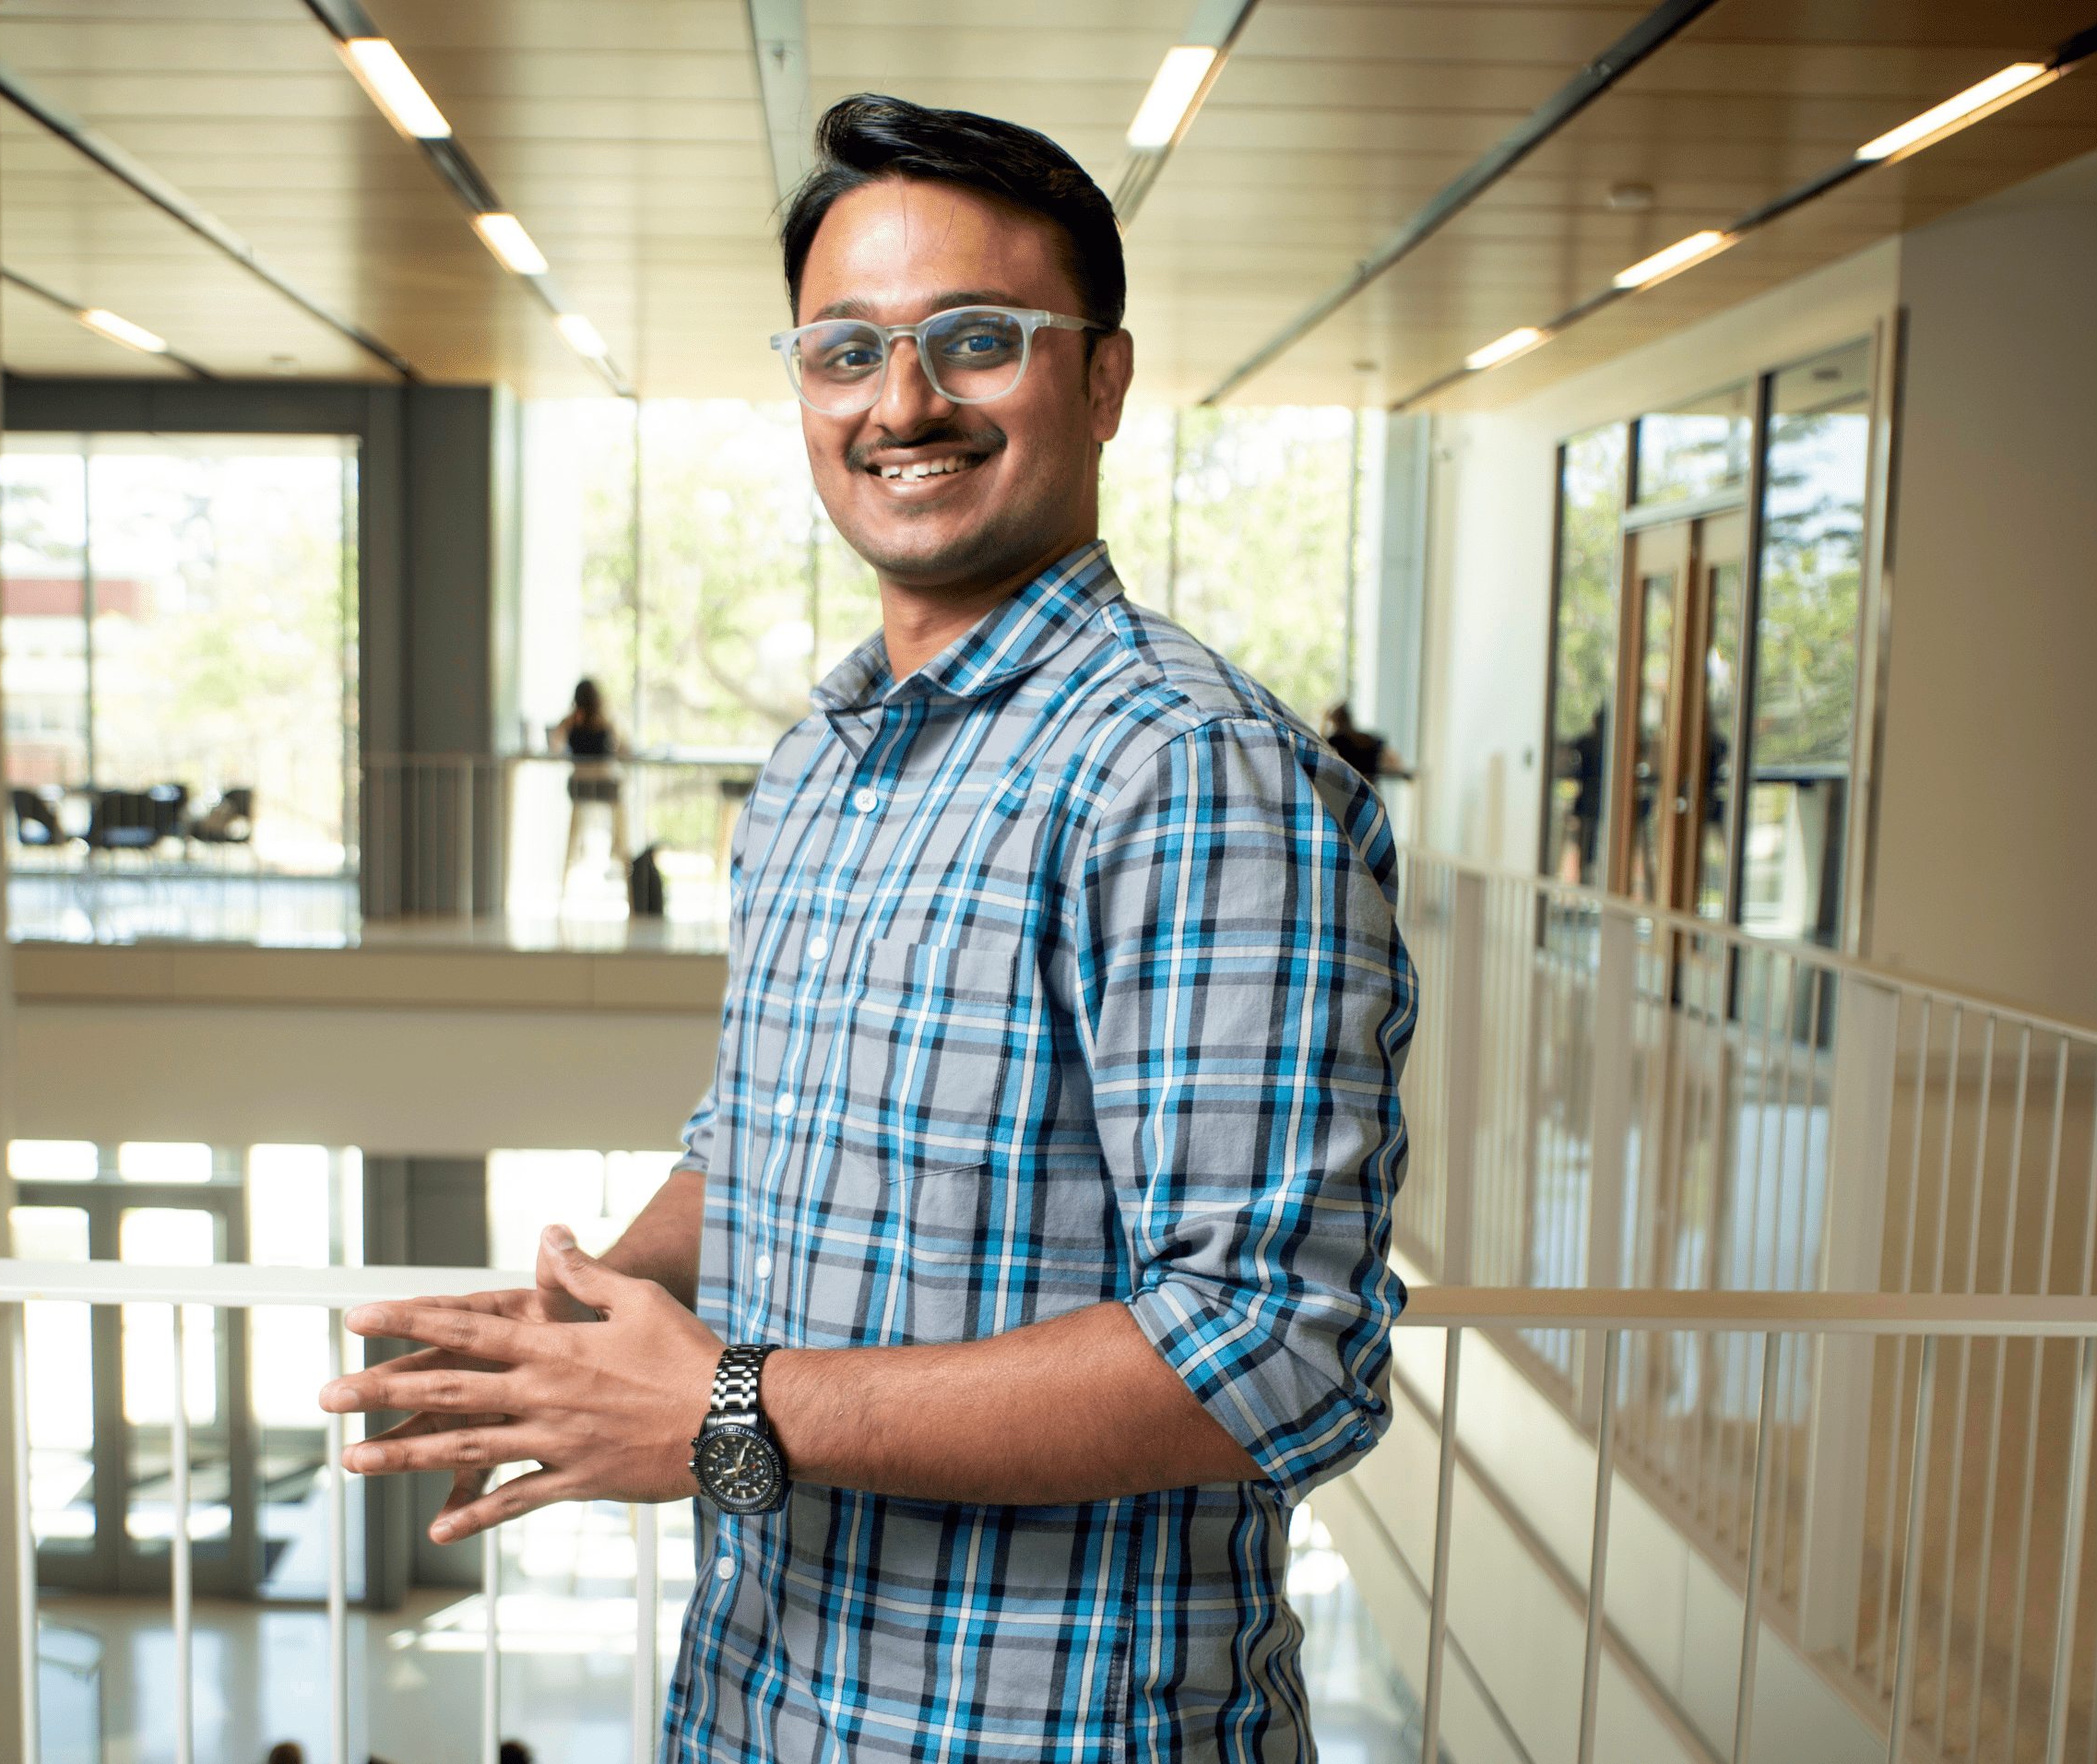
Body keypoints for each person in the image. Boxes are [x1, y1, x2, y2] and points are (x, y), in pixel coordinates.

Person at [323, 92, 1412, 1762]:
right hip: (761, 1704)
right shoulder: (825, 763)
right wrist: (595, 1316)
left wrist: (723, 1412)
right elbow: (754, 1142)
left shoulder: (1186, 772)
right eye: (845, 351)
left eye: (977, 340)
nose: (901, 403)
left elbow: (1274, 1349)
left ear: (1102, 380)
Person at [548, 679, 630, 896]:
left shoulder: (572, 723)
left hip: (578, 787)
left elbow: (553, 747)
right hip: (605, 787)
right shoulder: (604, 721)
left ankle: (604, 850)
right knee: (621, 807)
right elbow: (624, 748)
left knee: (581, 827)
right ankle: (617, 849)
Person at [1321, 702, 1405, 783]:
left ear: (1336, 721)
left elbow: (1320, 747)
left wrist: (1324, 720)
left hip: (1349, 788)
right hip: (1370, 789)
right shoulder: (1372, 739)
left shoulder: (1338, 741)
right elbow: (1393, 762)